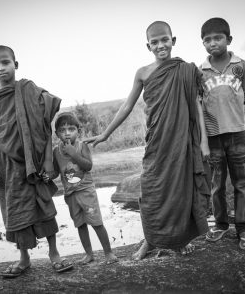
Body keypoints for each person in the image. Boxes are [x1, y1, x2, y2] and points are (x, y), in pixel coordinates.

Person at [85, 21, 210, 260]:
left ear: (173, 41)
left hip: (181, 142)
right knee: (151, 191)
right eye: (155, 42)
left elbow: (196, 105)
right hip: (157, 142)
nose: (161, 45)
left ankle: (179, 241)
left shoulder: (187, 70)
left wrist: (204, 142)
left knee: (180, 192)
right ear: (148, 46)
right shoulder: (142, 73)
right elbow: (126, 106)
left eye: (165, 40)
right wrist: (106, 134)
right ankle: (150, 241)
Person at [0, 45, 73, 278]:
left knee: (43, 204)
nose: (1, 68)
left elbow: (45, 128)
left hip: (36, 161)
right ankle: (24, 259)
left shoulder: (32, 92)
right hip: (8, 165)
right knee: (16, 208)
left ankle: (54, 254)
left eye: (6, 62)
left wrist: (49, 161)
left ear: (16, 64)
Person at [199, 18, 245, 250]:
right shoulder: (200, 71)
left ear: (228, 39)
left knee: (241, 181)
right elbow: (198, 101)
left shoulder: (240, 66)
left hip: (237, 134)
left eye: (218, 38)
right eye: (207, 40)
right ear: (203, 43)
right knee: (217, 184)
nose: (213, 43)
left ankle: (243, 226)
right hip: (213, 137)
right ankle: (221, 224)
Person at [50, 112, 118, 265]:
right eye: (62, 130)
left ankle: (108, 253)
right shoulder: (56, 151)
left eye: (71, 129)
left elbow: (88, 166)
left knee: (96, 222)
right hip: (70, 194)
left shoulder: (82, 146)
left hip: (86, 192)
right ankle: (89, 254)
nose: (67, 133)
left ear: (78, 131)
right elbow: (56, 171)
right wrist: (48, 175)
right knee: (80, 225)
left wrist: (74, 154)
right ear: (57, 133)